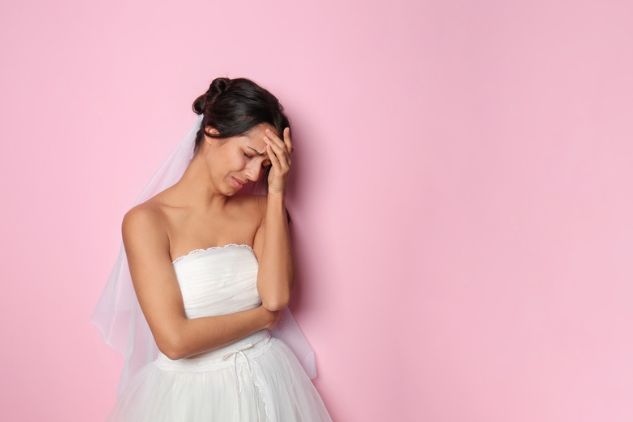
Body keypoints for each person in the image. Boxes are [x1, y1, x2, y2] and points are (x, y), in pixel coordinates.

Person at [102, 77, 333, 421]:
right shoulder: (147, 222)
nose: (255, 173)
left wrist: (276, 192)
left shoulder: (262, 211)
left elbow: (275, 297)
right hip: (188, 398)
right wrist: (263, 320)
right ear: (212, 131)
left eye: (266, 166)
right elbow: (175, 340)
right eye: (249, 155)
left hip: (265, 379)